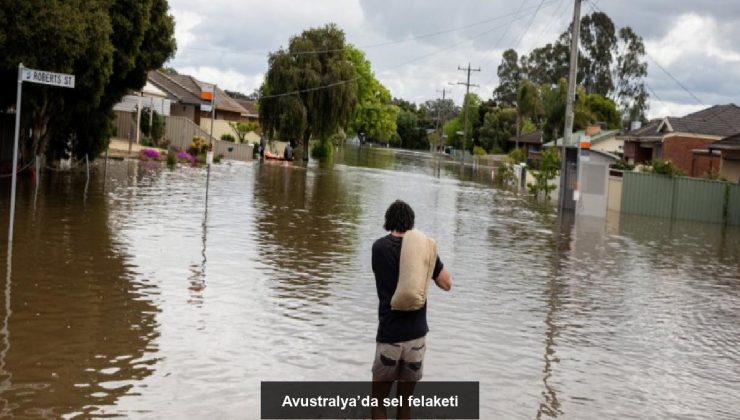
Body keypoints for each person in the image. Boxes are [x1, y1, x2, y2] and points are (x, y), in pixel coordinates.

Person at [371, 200, 452, 420]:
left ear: (389, 222)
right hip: (416, 338)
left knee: (378, 404)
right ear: (411, 223)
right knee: (405, 406)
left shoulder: (378, 248)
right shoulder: (424, 251)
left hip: (389, 338)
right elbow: (447, 283)